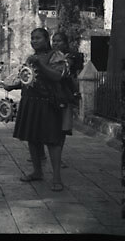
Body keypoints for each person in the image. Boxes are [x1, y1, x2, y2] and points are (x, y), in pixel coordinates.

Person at [4, 28, 67, 192]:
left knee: (52, 141)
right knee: (32, 138)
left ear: (46, 39)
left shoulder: (56, 56)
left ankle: (57, 178)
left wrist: (40, 64)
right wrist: (14, 86)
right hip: (31, 102)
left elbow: (57, 76)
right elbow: (29, 79)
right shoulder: (31, 58)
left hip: (48, 103)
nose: (34, 41)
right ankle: (37, 171)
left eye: (37, 38)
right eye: (32, 38)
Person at [52, 31, 84, 168]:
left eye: (58, 41)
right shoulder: (50, 55)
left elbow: (66, 69)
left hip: (64, 95)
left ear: (65, 43)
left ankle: (58, 156)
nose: (55, 43)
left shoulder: (71, 56)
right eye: (54, 41)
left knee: (61, 128)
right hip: (50, 95)